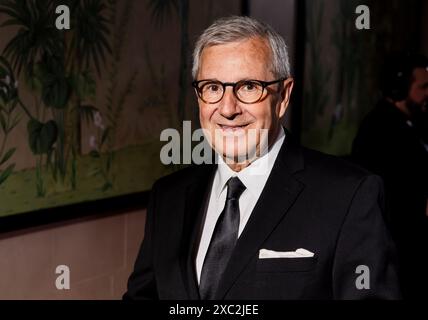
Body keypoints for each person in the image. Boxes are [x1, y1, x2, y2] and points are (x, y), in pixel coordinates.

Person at [124, 16, 401, 300]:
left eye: (248, 87)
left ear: (283, 96)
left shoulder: (348, 196)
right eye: (213, 88)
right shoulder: (169, 197)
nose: (228, 109)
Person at [352, 53, 428, 299]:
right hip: (397, 247)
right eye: (423, 87)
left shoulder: (411, 124)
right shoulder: (380, 130)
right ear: (399, 88)